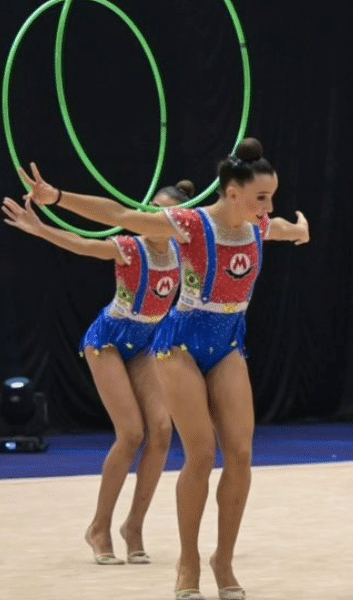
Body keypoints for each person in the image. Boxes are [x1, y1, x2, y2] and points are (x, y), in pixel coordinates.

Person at [17, 138, 309, 600]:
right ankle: (188, 562)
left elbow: (285, 228)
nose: (268, 207)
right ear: (233, 193)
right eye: (261, 198)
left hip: (228, 342)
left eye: (272, 197)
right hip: (179, 344)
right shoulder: (192, 225)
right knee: (200, 453)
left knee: (240, 454)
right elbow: (119, 214)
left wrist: (299, 229)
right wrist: (56, 198)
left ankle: (223, 560)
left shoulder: (258, 226)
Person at [3, 182, 191, 566]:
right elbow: (83, 245)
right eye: (148, 209)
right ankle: (99, 527)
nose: (149, 217)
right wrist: (39, 228)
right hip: (107, 341)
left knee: (161, 431)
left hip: (146, 341)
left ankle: (133, 526)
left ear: (176, 222)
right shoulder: (130, 248)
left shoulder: (183, 251)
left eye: (160, 213)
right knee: (131, 433)